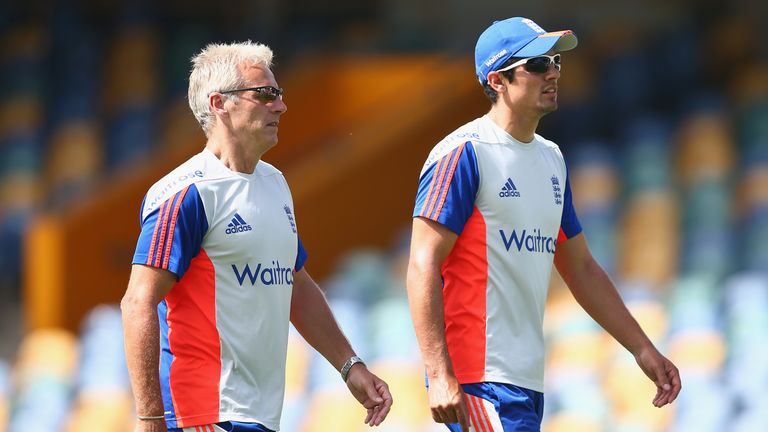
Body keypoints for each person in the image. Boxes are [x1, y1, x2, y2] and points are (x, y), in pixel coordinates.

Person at [405, 17, 681, 432]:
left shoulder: (551, 158)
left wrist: (641, 348)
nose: (552, 71)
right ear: (497, 80)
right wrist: (439, 373)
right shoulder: (463, 153)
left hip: (528, 382)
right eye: (536, 64)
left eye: (554, 62)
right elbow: (421, 263)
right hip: (477, 379)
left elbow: (581, 268)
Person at [121, 41, 392, 432]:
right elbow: (137, 303)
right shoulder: (186, 193)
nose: (280, 106)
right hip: (204, 414)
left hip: (260, 416)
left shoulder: (275, 182)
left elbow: (294, 283)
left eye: (278, 94)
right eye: (264, 95)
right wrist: (150, 418)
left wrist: (350, 366)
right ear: (219, 104)